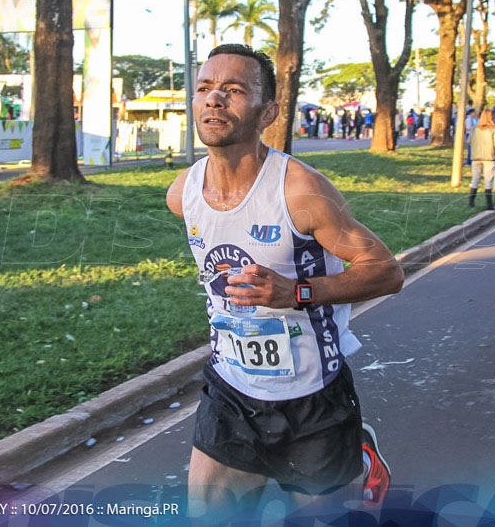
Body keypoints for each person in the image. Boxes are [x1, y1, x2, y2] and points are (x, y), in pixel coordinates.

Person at [166, 44, 402, 518]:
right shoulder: (183, 194)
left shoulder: (300, 190)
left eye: (233, 90)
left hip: (313, 397)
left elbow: (386, 271)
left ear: (267, 111)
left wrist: (297, 293)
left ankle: (357, 452)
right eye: (205, 89)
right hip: (230, 390)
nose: (214, 100)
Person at [469, 109, 495, 210]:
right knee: (488, 179)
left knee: (475, 179)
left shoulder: (474, 129)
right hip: (488, 157)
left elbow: (469, 141)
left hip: (476, 156)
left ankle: (471, 201)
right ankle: (489, 204)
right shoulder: (493, 129)